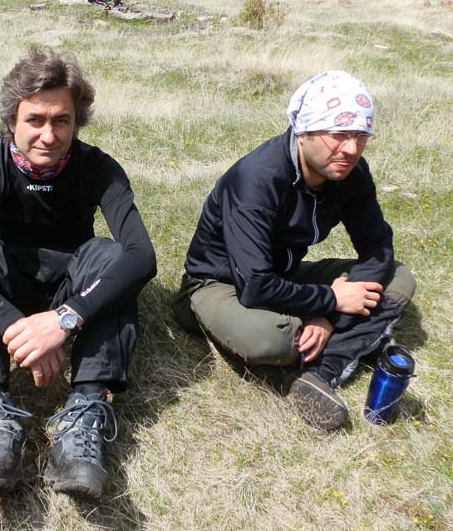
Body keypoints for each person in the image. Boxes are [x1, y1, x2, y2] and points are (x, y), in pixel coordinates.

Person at [0, 48, 156, 503]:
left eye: (62, 121)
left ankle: (84, 414)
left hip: (74, 278)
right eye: (35, 120)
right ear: (10, 120)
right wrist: (17, 327)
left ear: (77, 122)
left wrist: (64, 320)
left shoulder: (99, 168)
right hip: (9, 278)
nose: (49, 136)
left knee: (113, 260)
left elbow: (141, 255)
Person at [173, 71, 415, 431]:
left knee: (397, 276)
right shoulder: (257, 179)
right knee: (269, 339)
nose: (351, 149)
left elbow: (377, 246)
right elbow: (255, 286)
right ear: (304, 132)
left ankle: (321, 371)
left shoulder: (350, 173)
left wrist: (329, 315)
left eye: (361, 136)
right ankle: (342, 346)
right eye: (339, 135)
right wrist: (331, 300)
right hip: (221, 284)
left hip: (285, 275)